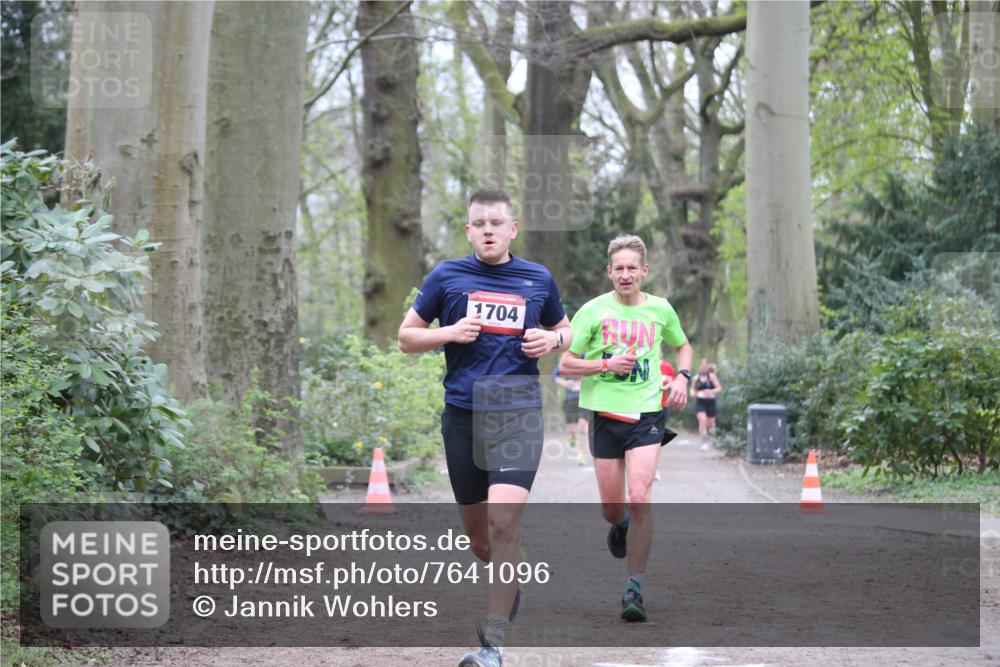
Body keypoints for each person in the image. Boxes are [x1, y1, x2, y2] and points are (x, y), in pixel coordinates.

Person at [398, 187, 571, 667]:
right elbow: (406, 337)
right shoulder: (446, 277)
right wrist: (447, 333)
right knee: (480, 539)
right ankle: (507, 574)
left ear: (512, 229)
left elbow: (568, 328)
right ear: (469, 230)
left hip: (517, 414)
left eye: (498, 222)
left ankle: (491, 645)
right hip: (462, 416)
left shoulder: (537, 279)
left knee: (502, 523)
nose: (489, 230)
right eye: (480, 223)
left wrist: (553, 339)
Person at [559, 235, 692, 623]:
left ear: (644, 271)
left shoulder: (661, 310)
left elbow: (683, 346)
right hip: (605, 416)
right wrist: (605, 365)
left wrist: (682, 377)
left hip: (648, 415)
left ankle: (634, 587)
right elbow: (566, 363)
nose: (626, 274)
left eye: (632, 267)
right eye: (619, 268)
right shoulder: (593, 311)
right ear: (609, 272)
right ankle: (619, 524)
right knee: (613, 507)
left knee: (640, 496)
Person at [552, 365, 588, 464]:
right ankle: (571, 437)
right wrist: (565, 383)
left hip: (584, 399)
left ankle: (581, 454)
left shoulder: (587, 358)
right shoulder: (567, 360)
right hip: (570, 400)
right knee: (572, 429)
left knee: (582, 426)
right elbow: (554, 376)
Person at [690, 359, 722, 446]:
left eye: (705, 366)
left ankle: (713, 438)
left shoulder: (712, 377)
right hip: (700, 402)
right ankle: (704, 441)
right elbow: (692, 389)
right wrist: (692, 392)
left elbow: (719, 388)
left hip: (711, 402)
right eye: (701, 366)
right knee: (702, 420)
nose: (703, 368)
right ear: (699, 367)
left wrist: (711, 391)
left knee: (710, 423)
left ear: (708, 367)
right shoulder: (696, 378)